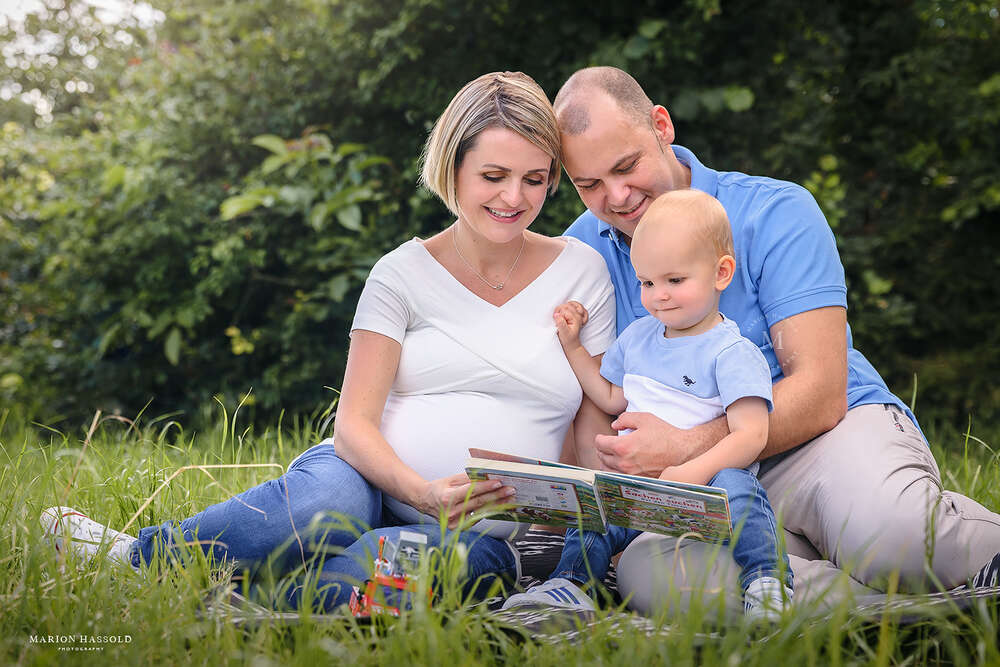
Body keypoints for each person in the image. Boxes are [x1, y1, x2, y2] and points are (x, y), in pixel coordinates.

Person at [39, 71, 618, 612]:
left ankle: (261, 598)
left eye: (534, 179)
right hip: (365, 479)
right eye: (493, 176)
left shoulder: (582, 272)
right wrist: (421, 492)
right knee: (326, 507)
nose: (514, 198)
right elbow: (354, 426)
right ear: (454, 169)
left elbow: (592, 429)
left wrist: (571, 526)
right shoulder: (402, 273)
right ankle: (134, 557)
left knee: (391, 575)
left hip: (482, 532)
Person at [552, 66, 1000, 616]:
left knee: (897, 540)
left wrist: (685, 447)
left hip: (824, 437)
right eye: (588, 184)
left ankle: (942, 566)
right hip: (705, 487)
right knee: (653, 575)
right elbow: (597, 400)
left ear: (661, 127)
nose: (617, 197)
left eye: (627, 166)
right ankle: (925, 615)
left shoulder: (774, 211)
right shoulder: (580, 254)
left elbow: (820, 390)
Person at [503, 189, 793, 620]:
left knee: (741, 487)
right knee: (596, 502)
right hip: (642, 491)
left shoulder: (731, 351)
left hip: (709, 489)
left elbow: (753, 434)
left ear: (721, 273)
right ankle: (569, 586)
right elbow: (609, 396)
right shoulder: (639, 338)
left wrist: (693, 472)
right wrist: (572, 345)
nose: (659, 295)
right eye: (647, 282)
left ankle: (767, 581)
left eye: (675, 281)